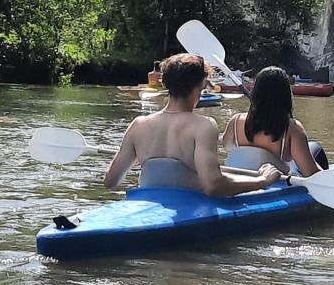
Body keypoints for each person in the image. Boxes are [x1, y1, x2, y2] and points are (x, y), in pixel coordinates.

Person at [103, 53, 283, 195]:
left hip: (148, 199)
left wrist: (143, 155)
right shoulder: (203, 126)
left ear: (166, 84)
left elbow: (110, 181)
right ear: (201, 85)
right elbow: (213, 186)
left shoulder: (138, 125)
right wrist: (263, 181)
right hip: (189, 204)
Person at [223, 66, 328, 175]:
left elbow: (228, 147)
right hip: (275, 181)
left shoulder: (235, 121)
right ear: (286, 95)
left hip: (239, 175)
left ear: (255, 92)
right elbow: (310, 172)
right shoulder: (292, 128)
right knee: (315, 147)